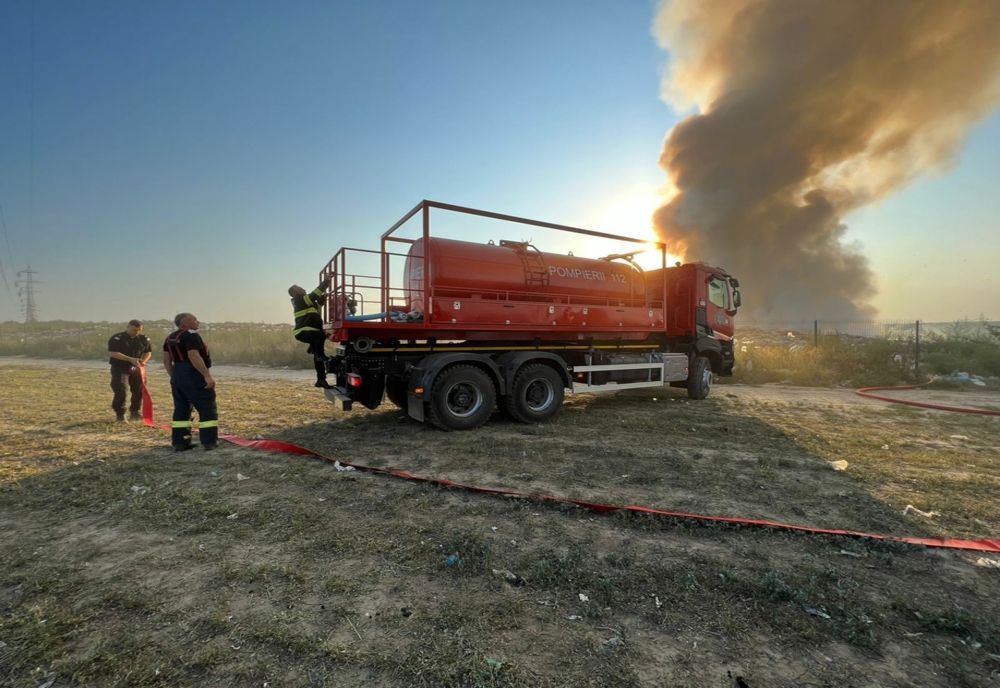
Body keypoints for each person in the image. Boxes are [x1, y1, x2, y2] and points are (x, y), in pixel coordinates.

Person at [162, 312, 218, 451]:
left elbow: (166, 360)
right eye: (194, 319)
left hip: (177, 374)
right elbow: (193, 355)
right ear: (184, 322)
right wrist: (207, 375)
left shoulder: (170, 338)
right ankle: (209, 442)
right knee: (206, 407)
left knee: (181, 409)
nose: (197, 322)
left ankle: (180, 443)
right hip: (193, 373)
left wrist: (174, 377)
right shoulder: (191, 336)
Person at [289, 277, 333, 388]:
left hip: (310, 332)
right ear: (295, 292)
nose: (303, 288)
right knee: (320, 340)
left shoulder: (304, 301)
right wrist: (326, 282)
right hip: (303, 331)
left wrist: (321, 301)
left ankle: (321, 380)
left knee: (318, 356)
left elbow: (316, 309)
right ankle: (317, 352)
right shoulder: (299, 299)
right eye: (299, 288)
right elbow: (313, 296)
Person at [107, 319, 152, 422]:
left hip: (136, 368)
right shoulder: (117, 338)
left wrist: (143, 361)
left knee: (138, 390)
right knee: (121, 391)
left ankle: (135, 412)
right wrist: (130, 359)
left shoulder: (143, 339)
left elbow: (148, 352)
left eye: (139, 330)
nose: (136, 332)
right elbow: (113, 353)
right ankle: (120, 414)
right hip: (120, 367)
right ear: (128, 327)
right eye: (134, 330)